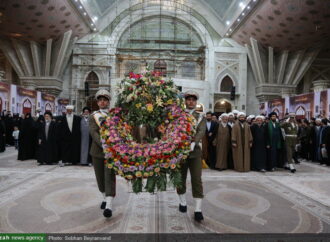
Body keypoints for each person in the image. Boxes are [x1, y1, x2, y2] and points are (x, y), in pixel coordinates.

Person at [177, 91, 206, 222]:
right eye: (188, 99)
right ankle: (182, 202)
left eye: (193, 100)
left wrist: (194, 142)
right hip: (181, 152)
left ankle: (198, 209)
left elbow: (201, 130)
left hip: (195, 153)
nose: (191, 102)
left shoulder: (200, 116)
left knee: (197, 179)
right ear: (185, 101)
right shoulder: (179, 115)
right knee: (180, 178)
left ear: (196, 102)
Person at [89, 89, 116, 218]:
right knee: (100, 178)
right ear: (97, 102)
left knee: (109, 177)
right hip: (98, 151)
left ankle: (109, 205)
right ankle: (104, 197)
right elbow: (94, 133)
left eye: (105, 100)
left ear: (108, 102)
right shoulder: (93, 116)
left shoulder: (114, 115)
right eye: (100, 100)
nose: (102, 102)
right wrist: (104, 144)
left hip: (112, 152)